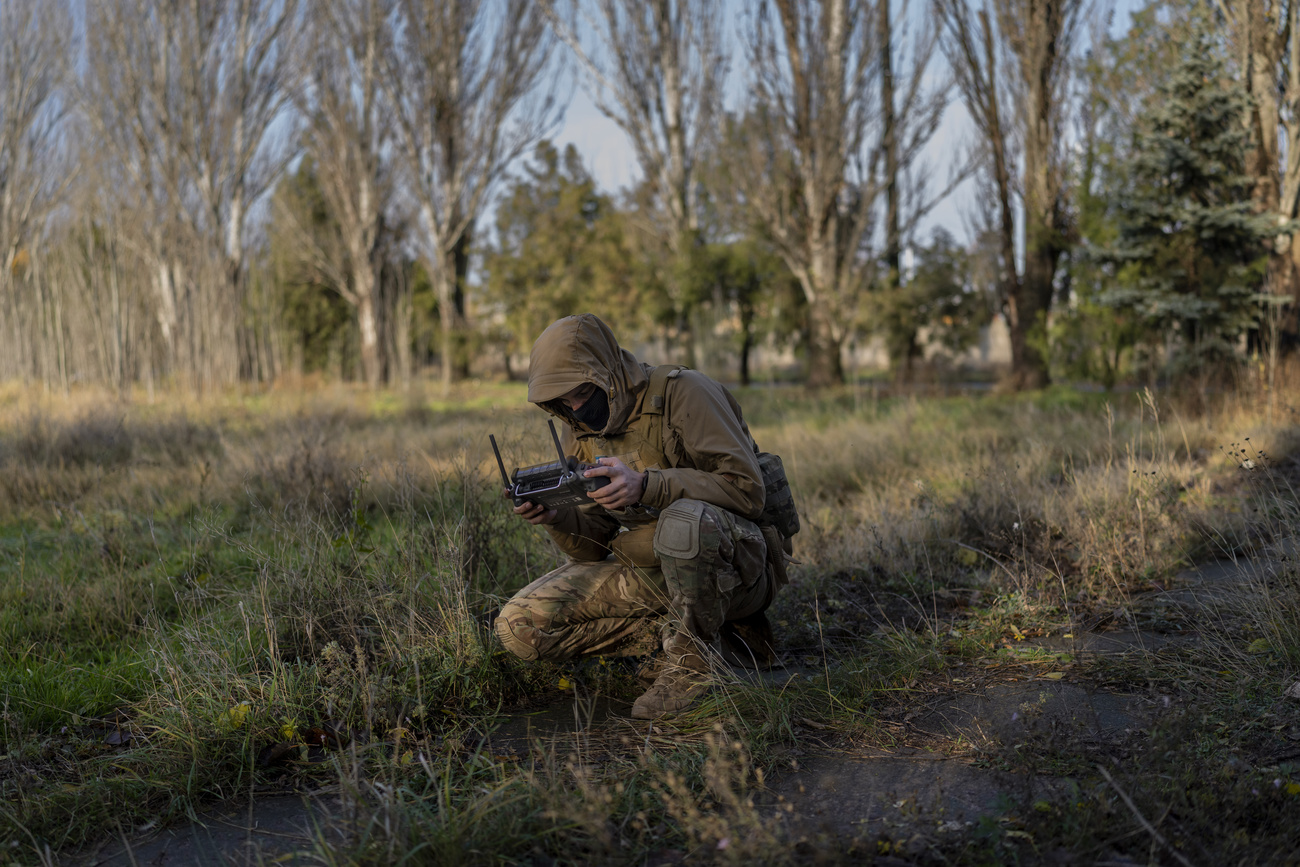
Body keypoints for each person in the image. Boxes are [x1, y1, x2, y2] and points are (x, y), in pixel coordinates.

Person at [494, 313, 791, 720]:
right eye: (562, 400)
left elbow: (747, 491)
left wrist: (646, 485)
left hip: (739, 567)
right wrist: (556, 517)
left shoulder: (685, 393)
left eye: (582, 391)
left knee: (682, 521)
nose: (576, 407)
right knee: (519, 627)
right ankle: (678, 641)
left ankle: (692, 667)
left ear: (607, 370)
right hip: (655, 568)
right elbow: (593, 547)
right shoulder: (578, 426)